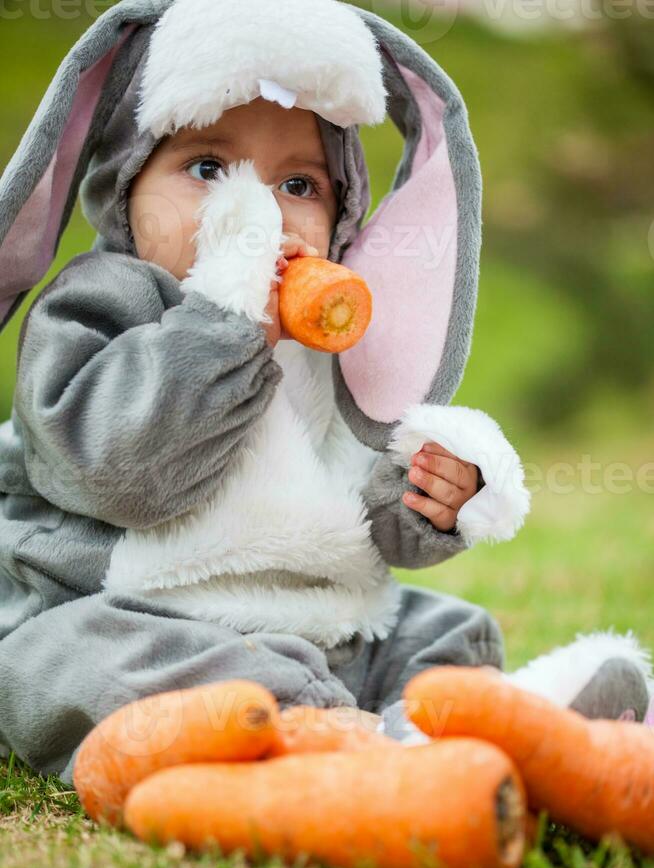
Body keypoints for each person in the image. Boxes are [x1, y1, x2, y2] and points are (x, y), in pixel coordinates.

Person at [0, 0, 650, 785]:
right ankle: (352, 741)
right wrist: (227, 322)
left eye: (299, 183)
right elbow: (117, 475)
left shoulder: (338, 341)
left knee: (438, 629)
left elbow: (350, 519)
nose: (260, 212)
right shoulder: (98, 304)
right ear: (124, 188)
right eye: (207, 168)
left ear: (341, 215)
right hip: (139, 613)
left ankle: (476, 723)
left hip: (315, 629)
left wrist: (423, 498)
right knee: (62, 662)